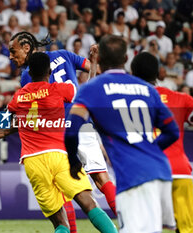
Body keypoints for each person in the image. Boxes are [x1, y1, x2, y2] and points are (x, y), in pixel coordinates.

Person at [0, 31, 117, 232]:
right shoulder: (61, 74)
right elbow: (91, 78)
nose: (11, 57)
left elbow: (21, 116)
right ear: (48, 73)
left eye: (13, 52)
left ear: (26, 49)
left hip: (36, 156)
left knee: (59, 211)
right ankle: (127, 224)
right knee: (96, 189)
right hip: (70, 136)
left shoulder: (22, 88)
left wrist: (2, 130)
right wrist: (93, 61)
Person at [65, 35, 179, 232]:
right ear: (126, 59)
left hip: (132, 176)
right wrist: (149, 150)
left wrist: (74, 162)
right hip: (161, 172)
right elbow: (172, 131)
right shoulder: (148, 89)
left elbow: (71, 131)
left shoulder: (91, 90)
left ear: (98, 60)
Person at [131, 51, 193, 233]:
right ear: (159, 72)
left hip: (146, 173)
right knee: (188, 229)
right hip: (179, 171)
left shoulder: (127, 101)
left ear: (132, 72)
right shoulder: (180, 98)